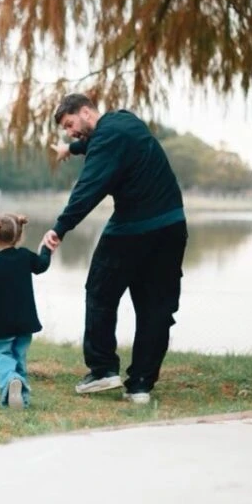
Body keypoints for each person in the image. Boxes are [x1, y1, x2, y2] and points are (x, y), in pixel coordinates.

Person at [42, 93, 187, 405]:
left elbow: (89, 188)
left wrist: (60, 228)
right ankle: (140, 386)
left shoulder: (107, 139)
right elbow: (101, 144)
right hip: (172, 226)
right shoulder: (126, 121)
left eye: (70, 125)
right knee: (156, 307)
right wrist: (73, 148)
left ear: (85, 112)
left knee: (100, 292)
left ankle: (103, 369)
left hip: (132, 229)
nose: (69, 131)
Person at [0, 214, 52, 409]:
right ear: (19, 236)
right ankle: (21, 399)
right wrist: (47, 248)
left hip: (2, 324)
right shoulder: (25, 256)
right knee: (19, 356)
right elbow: (42, 265)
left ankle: (11, 381)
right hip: (25, 323)